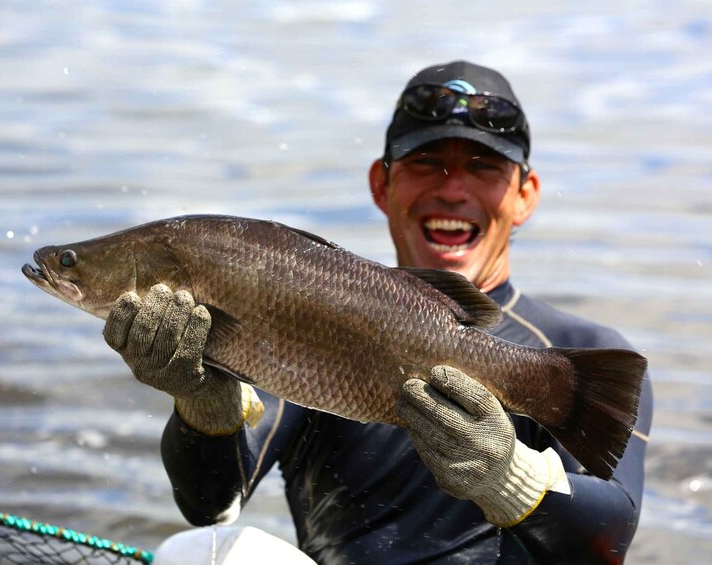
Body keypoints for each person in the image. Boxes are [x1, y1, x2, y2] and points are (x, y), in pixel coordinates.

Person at [103, 61, 653, 564]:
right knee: (198, 553)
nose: (453, 188)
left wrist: (509, 476)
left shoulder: (578, 358)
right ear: (380, 185)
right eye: (426, 164)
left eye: (484, 167)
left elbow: (605, 547)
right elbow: (212, 511)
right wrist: (204, 405)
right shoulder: (302, 305)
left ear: (525, 195)